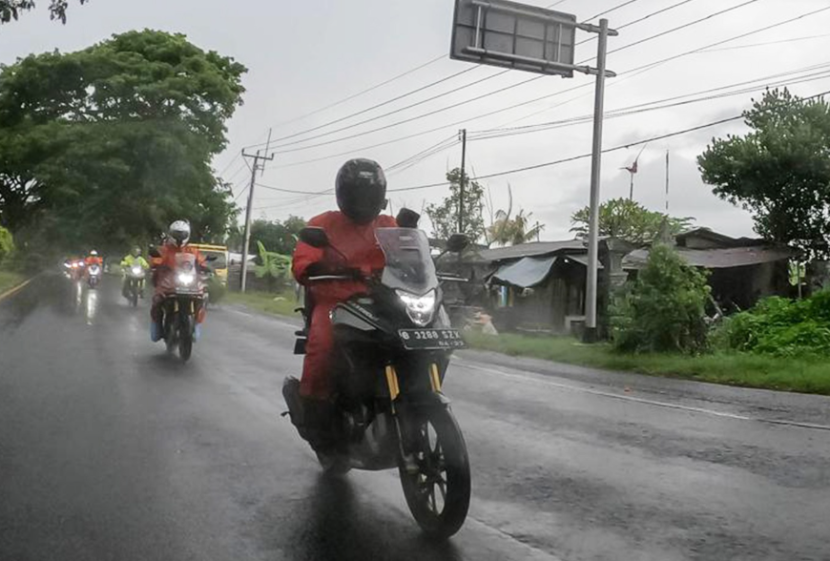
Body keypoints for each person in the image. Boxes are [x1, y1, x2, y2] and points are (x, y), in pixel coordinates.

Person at [289, 158, 396, 442]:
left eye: (369, 196)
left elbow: (409, 254)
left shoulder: (389, 225)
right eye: (357, 196)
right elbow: (303, 262)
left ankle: (413, 392)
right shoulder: (323, 224)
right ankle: (313, 407)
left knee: (417, 334)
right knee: (323, 344)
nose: (363, 203)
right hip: (335, 303)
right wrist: (316, 268)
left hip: (382, 302)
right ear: (343, 197)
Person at [148, 221, 207, 342]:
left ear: (188, 235)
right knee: (157, 300)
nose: (180, 237)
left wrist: (206, 266)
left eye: (182, 234)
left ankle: (196, 326)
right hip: (167, 282)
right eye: (177, 234)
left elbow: (201, 261)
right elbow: (155, 259)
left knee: (202, 298)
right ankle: (157, 325)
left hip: (188, 283)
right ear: (171, 234)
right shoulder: (164, 250)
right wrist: (155, 263)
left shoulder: (191, 250)